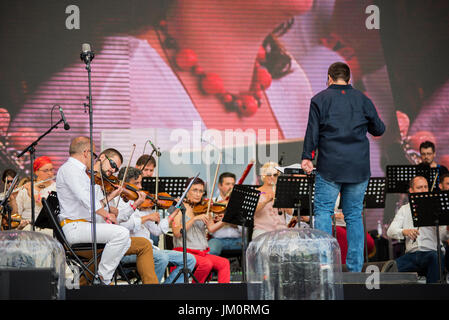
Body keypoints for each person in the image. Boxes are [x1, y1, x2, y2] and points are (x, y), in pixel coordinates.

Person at [301, 62, 385, 272]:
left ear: (329, 77)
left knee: (322, 212)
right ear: (349, 79)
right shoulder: (363, 99)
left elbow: (312, 132)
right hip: (358, 167)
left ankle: (325, 265)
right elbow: (379, 129)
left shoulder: (319, 99)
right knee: (354, 215)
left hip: (330, 165)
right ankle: (355, 268)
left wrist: (307, 157)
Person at [56, 136, 137, 285]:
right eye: (93, 155)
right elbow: (88, 201)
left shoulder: (78, 171)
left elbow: (92, 202)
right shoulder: (71, 169)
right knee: (122, 233)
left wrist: (110, 198)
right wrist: (107, 214)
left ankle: (100, 277)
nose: (94, 159)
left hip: (83, 225)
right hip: (75, 226)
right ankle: (102, 279)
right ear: (86, 152)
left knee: (125, 240)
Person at [115, 166, 197, 284]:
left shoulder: (142, 203)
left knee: (189, 259)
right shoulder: (118, 202)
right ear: (125, 184)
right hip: (129, 251)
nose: (140, 187)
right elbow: (121, 225)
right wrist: (147, 217)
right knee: (161, 258)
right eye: (136, 183)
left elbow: (157, 230)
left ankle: (164, 292)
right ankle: (152, 293)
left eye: (140, 183)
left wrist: (173, 214)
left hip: (150, 249)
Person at [386, 176, 448, 283]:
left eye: (425, 187)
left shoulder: (436, 208)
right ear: (411, 191)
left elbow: (443, 236)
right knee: (389, 270)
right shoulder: (405, 209)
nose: (424, 190)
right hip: (411, 255)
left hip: (430, 253)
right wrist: (404, 231)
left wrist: (447, 229)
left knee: (435, 258)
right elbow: (390, 231)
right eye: (419, 187)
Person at [172, 177, 231, 283]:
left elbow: (211, 229)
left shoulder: (204, 208)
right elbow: (176, 233)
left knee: (224, 263)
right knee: (206, 264)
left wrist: (226, 220)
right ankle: (195, 292)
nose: (198, 194)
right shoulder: (179, 208)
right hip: (186, 252)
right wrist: (194, 219)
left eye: (200, 191)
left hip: (201, 252)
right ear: (186, 191)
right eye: (195, 190)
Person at [252, 162, 296, 240]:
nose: (272, 177)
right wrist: (265, 201)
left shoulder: (282, 191)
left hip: (281, 230)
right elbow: (252, 211)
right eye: (269, 174)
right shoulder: (256, 192)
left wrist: (283, 200)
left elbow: (291, 212)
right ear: (263, 175)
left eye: (275, 175)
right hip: (262, 230)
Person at [15, 156, 56, 233]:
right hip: (26, 227)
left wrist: (32, 193)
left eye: (51, 170)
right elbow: (17, 213)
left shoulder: (56, 188)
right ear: (36, 172)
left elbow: (48, 207)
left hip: (47, 228)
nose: (50, 173)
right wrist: (12, 199)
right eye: (46, 171)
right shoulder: (26, 187)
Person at [208, 172, 242, 256]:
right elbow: (209, 230)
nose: (231, 187)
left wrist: (226, 220)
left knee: (251, 251)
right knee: (211, 251)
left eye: (233, 184)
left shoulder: (239, 203)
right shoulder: (212, 202)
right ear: (219, 185)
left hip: (237, 239)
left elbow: (243, 228)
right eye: (227, 184)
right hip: (217, 240)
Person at [135, 153, 160, 246]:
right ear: (137, 167)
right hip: (136, 223)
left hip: (149, 220)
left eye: (151, 170)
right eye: (146, 170)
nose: (149, 173)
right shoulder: (131, 183)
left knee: (155, 237)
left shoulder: (153, 186)